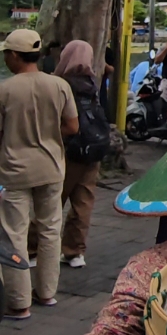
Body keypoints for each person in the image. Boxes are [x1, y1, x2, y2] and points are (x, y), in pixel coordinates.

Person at [0, 29, 79, 318]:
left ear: (15, 56)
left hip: (15, 169)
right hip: (52, 167)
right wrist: (47, 136)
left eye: (6, 53)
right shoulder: (59, 86)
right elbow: (72, 127)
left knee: (14, 234)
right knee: (49, 230)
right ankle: (46, 293)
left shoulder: (5, 89)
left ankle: (19, 303)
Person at [57, 41, 106, 271]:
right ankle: (74, 251)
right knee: (84, 201)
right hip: (93, 149)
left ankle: (34, 248)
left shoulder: (61, 83)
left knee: (53, 200)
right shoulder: (91, 82)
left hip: (69, 151)